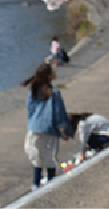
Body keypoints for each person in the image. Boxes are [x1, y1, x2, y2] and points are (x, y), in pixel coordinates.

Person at [22, 62, 71, 190]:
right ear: (49, 76)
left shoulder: (33, 91)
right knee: (50, 157)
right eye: (52, 72)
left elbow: (30, 110)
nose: (55, 73)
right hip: (50, 129)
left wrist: (32, 123)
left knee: (37, 157)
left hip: (35, 128)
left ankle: (35, 184)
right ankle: (50, 182)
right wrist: (63, 131)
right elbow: (58, 113)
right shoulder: (54, 93)